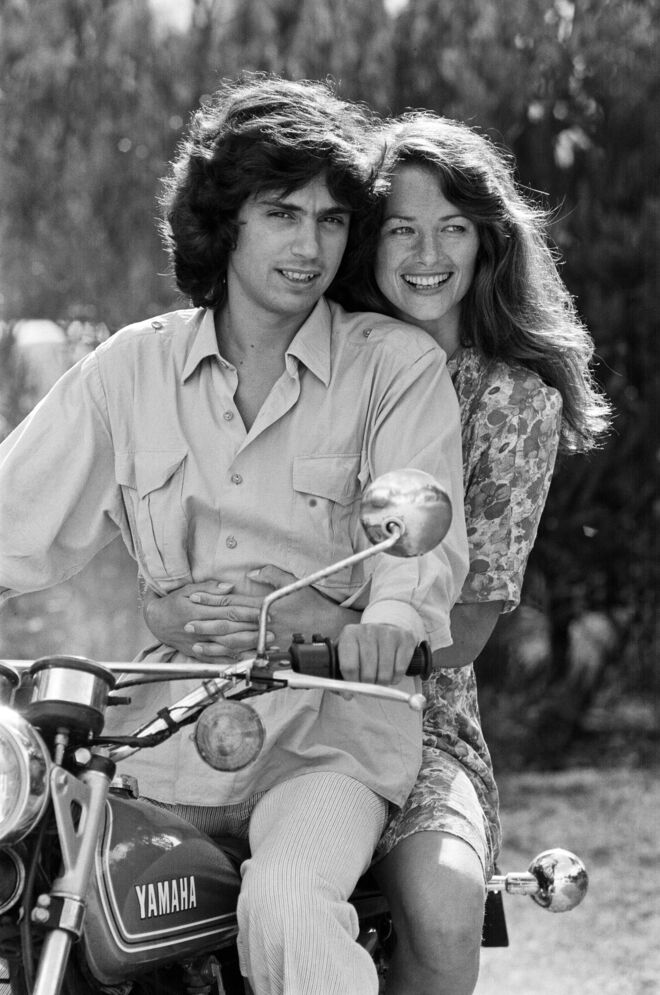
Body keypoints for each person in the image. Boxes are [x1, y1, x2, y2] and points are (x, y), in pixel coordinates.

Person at [0, 78, 470, 995]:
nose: (310, 246)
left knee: (288, 902)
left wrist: (385, 622)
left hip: (328, 737)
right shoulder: (129, 369)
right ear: (227, 220)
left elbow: (421, 553)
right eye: (281, 213)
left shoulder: (394, 367)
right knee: (38, 896)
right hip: (157, 741)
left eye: (332, 221)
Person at [144, 110, 610, 995]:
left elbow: (464, 631)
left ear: (489, 243)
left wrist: (312, 619)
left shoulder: (510, 401)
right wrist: (171, 605)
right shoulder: (306, 342)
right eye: (401, 227)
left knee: (445, 901)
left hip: (413, 710)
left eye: (454, 228)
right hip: (239, 686)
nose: (426, 252)